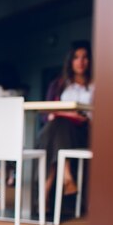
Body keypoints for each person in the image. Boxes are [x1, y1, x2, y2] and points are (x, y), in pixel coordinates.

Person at [37, 40, 93, 198]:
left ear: (90, 60)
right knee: (59, 125)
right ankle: (66, 176)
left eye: (85, 57)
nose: (81, 62)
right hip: (59, 131)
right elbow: (44, 114)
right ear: (70, 61)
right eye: (76, 57)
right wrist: (67, 115)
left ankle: (45, 191)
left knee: (57, 127)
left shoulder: (96, 85)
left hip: (84, 133)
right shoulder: (59, 84)